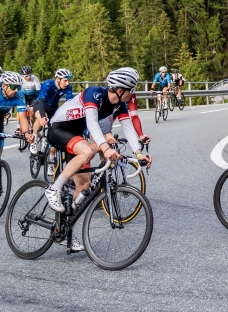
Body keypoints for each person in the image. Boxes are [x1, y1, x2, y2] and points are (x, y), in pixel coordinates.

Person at [43, 68, 151, 226]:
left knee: (84, 185)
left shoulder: (119, 105)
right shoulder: (94, 94)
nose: (133, 93)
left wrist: (138, 153)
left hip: (76, 134)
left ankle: (65, 230)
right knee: (88, 151)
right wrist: (106, 148)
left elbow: (128, 127)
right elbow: (92, 123)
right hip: (59, 129)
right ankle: (54, 188)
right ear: (120, 90)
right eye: (132, 89)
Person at [33, 68, 74, 165]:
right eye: (65, 80)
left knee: (56, 130)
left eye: (68, 81)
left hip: (53, 107)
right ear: (58, 79)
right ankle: (34, 139)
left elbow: (69, 103)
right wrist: (43, 117)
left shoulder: (68, 87)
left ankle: (51, 159)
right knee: (41, 120)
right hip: (40, 104)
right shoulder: (48, 84)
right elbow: (42, 101)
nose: (67, 83)